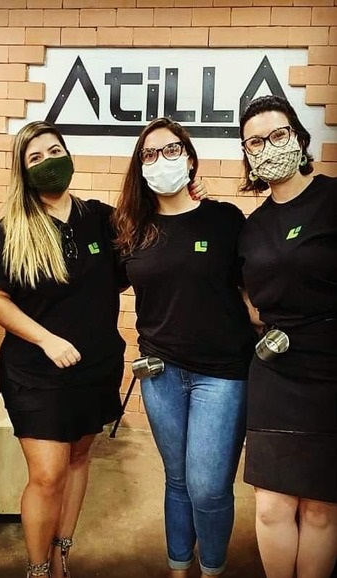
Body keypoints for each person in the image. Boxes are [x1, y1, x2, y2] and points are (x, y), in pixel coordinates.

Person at [0, 120, 127, 578]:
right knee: (47, 474)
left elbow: (150, 243)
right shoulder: (11, 230)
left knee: (79, 459)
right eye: (35, 157)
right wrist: (46, 339)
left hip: (95, 368)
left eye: (54, 151)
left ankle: (62, 553)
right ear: (22, 171)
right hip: (35, 373)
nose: (48, 163)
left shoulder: (100, 218)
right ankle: (38, 568)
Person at [113, 117, 255, 577]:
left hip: (222, 374)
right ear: (140, 166)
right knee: (176, 479)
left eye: (171, 149)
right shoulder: (132, 229)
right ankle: (179, 567)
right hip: (160, 372)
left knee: (208, 486)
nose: (161, 160)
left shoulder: (225, 220)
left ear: (190, 159)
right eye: (149, 154)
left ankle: (211, 568)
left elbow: (254, 290)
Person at [237, 94, 337, 578]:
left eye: (277, 134)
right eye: (254, 142)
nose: (268, 147)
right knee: (271, 506)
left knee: (320, 507)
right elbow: (243, 290)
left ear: (298, 136)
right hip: (275, 369)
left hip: (330, 369)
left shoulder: (332, 199)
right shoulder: (252, 227)